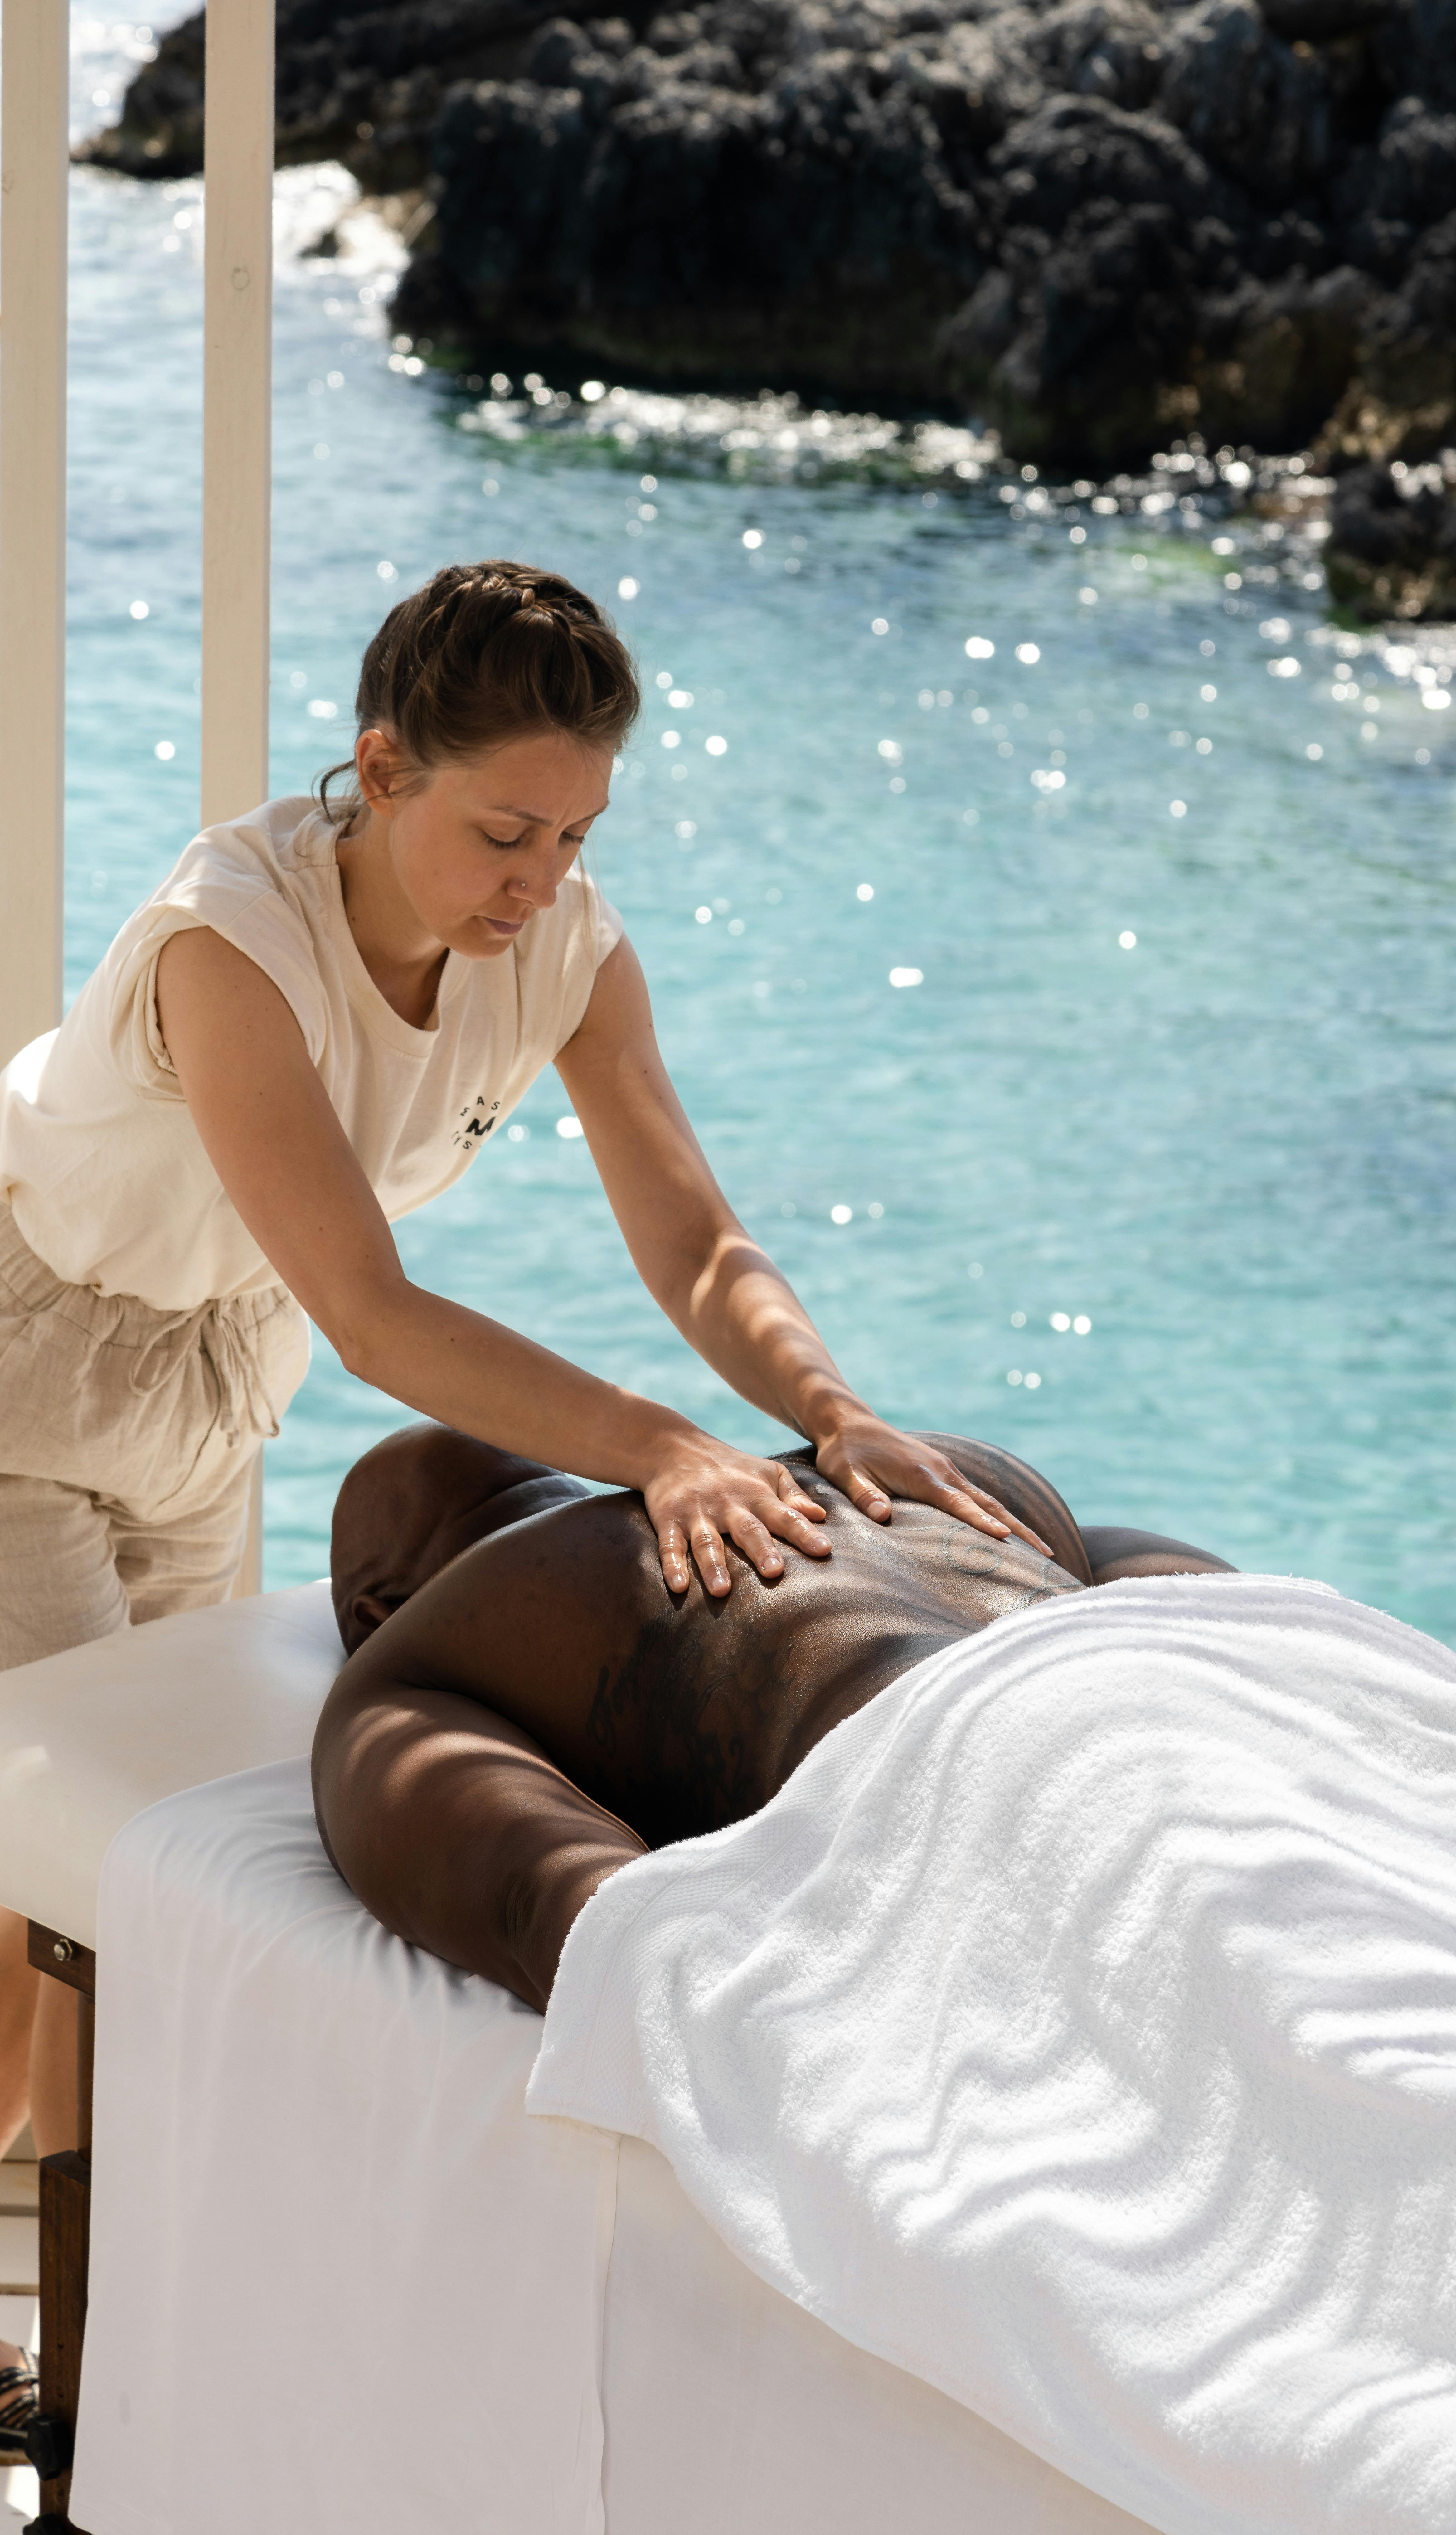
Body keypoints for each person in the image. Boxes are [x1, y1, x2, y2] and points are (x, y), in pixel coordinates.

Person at [0, 560, 1035, 2402]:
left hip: (212, 1372)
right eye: (503, 832)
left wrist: (832, 1407)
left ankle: (98, 2345)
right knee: (29, 1903)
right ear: (382, 768)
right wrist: (663, 1451)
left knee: (126, 1893)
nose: (543, 882)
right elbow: (379, 1314)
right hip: (24, 1356)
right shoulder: (226, 947)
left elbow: (692, 1232)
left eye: (575, 834)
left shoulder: (558, 944)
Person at [314, 1421, 1232, 2008]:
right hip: (1230, 1709)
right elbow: (1208, 1599)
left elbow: (581, 1921)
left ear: (372, 1614)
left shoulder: (439, 1657)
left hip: (994, 1801)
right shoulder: (914, 1469)